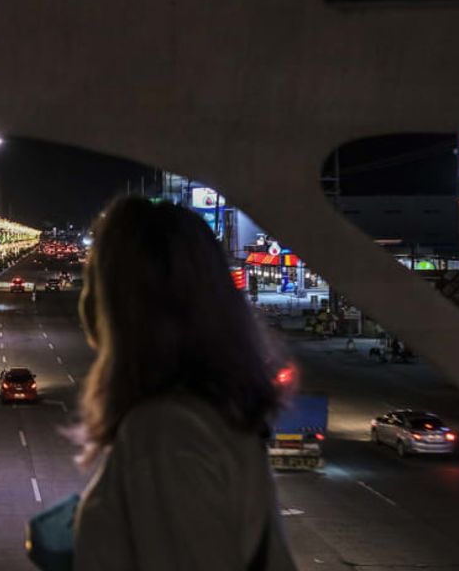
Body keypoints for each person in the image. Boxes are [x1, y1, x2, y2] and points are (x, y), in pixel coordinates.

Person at [72, 197, 296, 570]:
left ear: (123, 304)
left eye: (92, 275)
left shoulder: (166, 433)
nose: (85, 295)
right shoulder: (208, 418)